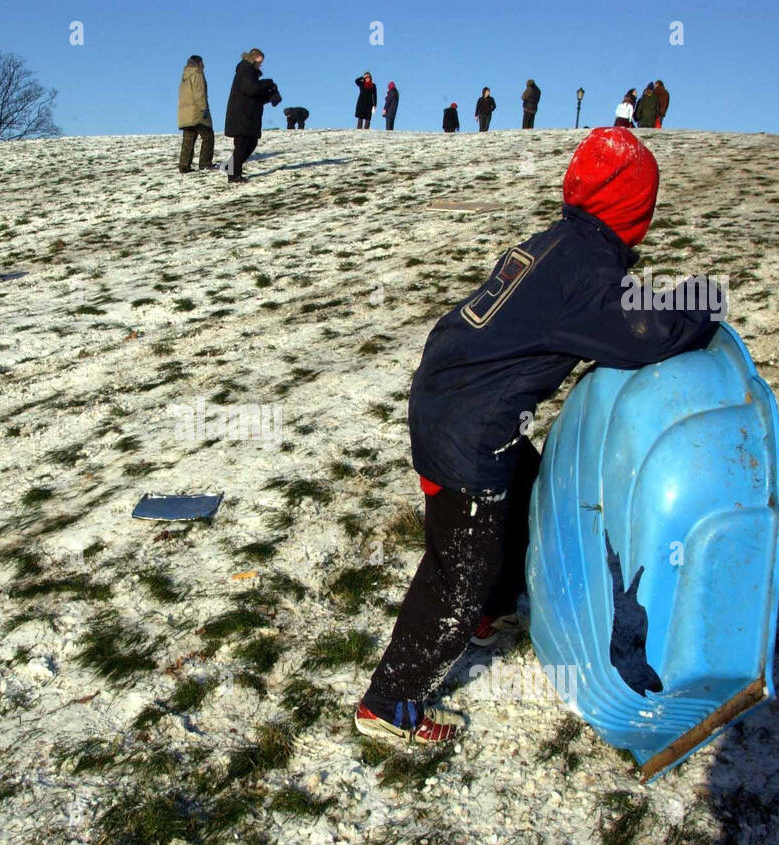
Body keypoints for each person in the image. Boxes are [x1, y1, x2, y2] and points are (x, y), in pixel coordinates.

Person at [354, 127, 725, 744]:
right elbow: (643, 335)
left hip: (455, 399)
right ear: (635, 211)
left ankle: (485, 616)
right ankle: (390, 701)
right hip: (466, 425)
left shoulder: (568, 246)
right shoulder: (583, 270)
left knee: (523, 495)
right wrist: (703, 303)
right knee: (459, 565)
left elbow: (617, 309)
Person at [224, 48, 279, 183]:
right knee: (242, 145)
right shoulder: (245, 70)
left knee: (250, 143)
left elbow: (254, 94)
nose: (261, 65)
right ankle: (233, 175)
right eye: (260, 61)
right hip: (242, 116)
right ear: (256, 58)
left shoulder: (249, 72)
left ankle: (230, 168)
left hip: (248, 116)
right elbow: (252, 89)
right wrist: (266, 84)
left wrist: (270, 95)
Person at [177, 55, 215, 173]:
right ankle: (205, 163)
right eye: (202, 63)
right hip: (196, 112)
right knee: (208, 136)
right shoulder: (197, 74)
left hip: (185, 114)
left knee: (188, 138)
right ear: (198, 63)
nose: (204, 65)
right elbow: (199, 94)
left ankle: (184, 165)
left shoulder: (185, 76)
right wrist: (204, 109)